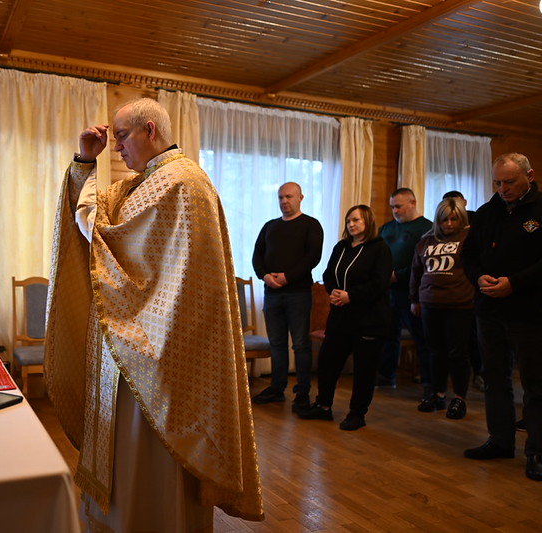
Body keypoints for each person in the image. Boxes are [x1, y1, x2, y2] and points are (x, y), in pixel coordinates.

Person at [43, 98, 264, 530]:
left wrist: (89, 190)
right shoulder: (142, 182)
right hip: (131, 339)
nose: (117, 148)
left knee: (150, 457)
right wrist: (84, 162)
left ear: (150, 129)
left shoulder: (183, 182)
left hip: (161, 350)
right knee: (125, 452)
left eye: (122, 136)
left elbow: (103, 233)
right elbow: (91, 215)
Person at [462, 153, 542, 482]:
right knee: (495, 378)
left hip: (529, 311)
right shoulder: (486, 212)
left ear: (529, 176)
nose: (502, 188)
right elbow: (469, 256)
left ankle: (537, 451)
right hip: (489, 309)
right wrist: (478, 277)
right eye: (497, 182)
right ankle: (500, 439)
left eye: (509, 182)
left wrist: (515, 283)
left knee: (535, 383)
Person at [296, 205, 392, 431]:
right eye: (349, 220)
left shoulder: (380, 249)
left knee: (364, 369)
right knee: (328, 361)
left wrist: (351, 295)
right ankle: (323, 406)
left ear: (368, 221)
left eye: (356, 220)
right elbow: (328, 274)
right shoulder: (341, 247)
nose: (351, 224)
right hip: (340, 316)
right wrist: (334, 293)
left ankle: (357, 413)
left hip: (369, 319)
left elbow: (379, 283)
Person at [251, 182, 323, 410]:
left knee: (300, 344)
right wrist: (265, 276)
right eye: (281, 197)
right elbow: (257, 256)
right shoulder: (270, 226)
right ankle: (277, 388)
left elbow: (313, 256)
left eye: (289, 197)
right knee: (277, 344)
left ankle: (302, 391)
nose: (284, 201)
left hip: (298, 293)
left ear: (301, 197)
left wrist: (288, 277)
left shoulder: (311, 225)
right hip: (272, 294)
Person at [409, 198, 474, 419]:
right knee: (435, 351)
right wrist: (414, 299)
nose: (449, 224)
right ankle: (438, 394)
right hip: (430, 303)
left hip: (459, 304)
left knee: (457, 352)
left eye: (454, 219)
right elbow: (416, 272)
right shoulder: (426, 241)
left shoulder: (469, 238)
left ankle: (459, 398)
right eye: (445, 219)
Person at [376, 188, 433, 391]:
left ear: (412, 203)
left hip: (413, 292)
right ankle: (386, 376)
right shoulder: (386, 228)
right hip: (387, 291)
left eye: (399, 206)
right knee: (388, 335)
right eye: (392, 207)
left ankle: (429, 381)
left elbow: (425, 262)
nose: (395, 211)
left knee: (422, 336)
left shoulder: (427, 228)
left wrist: (398, 275)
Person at [441, 190, 485, 393]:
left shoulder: (476, 221)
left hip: (472, 292)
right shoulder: (441, 233)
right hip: (449, 296)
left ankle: (480, 373)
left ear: (465, 203)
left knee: (474, 337)